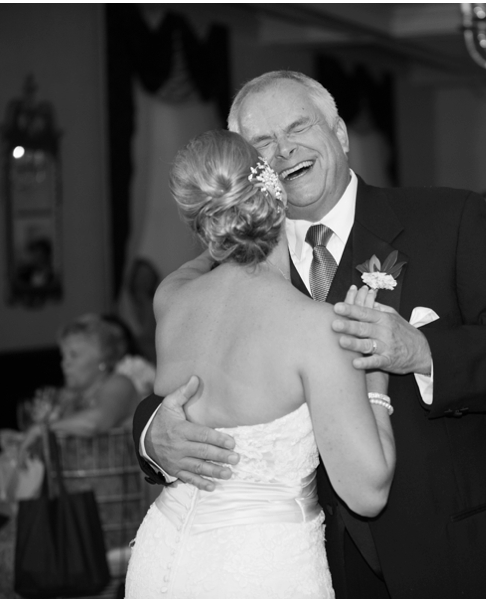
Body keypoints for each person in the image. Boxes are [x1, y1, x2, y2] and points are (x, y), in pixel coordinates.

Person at [131, 71, 486, 598]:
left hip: (448, 551)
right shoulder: (226, 264)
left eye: (298, 127)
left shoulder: (446, 221)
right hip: (296, 562)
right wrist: (151, 432)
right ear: (248, 169)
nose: (285, 150)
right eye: (263, 143)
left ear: (339, 133)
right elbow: (187, 367)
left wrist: (423, 351)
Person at [125, 130, 396, 598]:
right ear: (277, 199)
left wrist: (225, 231)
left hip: (161, 553)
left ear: (206, 219)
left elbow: (192, 267)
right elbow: (367, 494)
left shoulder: (171, 300)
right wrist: (376, 382)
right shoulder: (315, 328)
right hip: (259, 565)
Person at [0, 314, 145, 599]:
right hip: (64, 511)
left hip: (109, 518)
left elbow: (97, 421)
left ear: (102, 358)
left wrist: (43, 429)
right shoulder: (64, 397)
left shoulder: (120, 384)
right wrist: (26, 439)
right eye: (63, 354)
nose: (64, 362)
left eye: (74, 354)